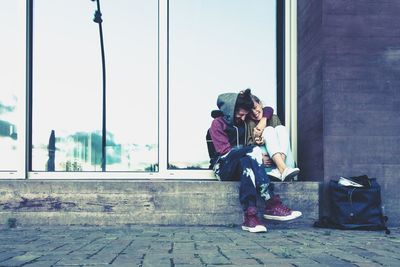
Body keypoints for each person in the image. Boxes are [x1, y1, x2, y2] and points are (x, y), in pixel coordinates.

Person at [207, 89, 301, 233]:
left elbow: (267, 110)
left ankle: (250, 216)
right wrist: (252, 152)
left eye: (245, 115)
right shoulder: (217, 124)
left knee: (247, 164)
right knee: (252, 152)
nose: (243, 118)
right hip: (223, 167)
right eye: (240, 114)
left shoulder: (242, 123)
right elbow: (224, 151)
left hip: (240, 165)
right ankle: (271, 203)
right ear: (230, 110)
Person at [247, 94, 300, 181]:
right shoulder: (248, 123)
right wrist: (258, 144)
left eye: (255, 107)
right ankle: (283, 169)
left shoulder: (273, 118)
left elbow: (283, 140)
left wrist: (264, 122)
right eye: (250, 111)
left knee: (281, 128)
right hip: (267, 165)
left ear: (260, 104)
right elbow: (247, 147)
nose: (254, 112)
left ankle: (281, 169)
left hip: (285, 164)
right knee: (269, 130)